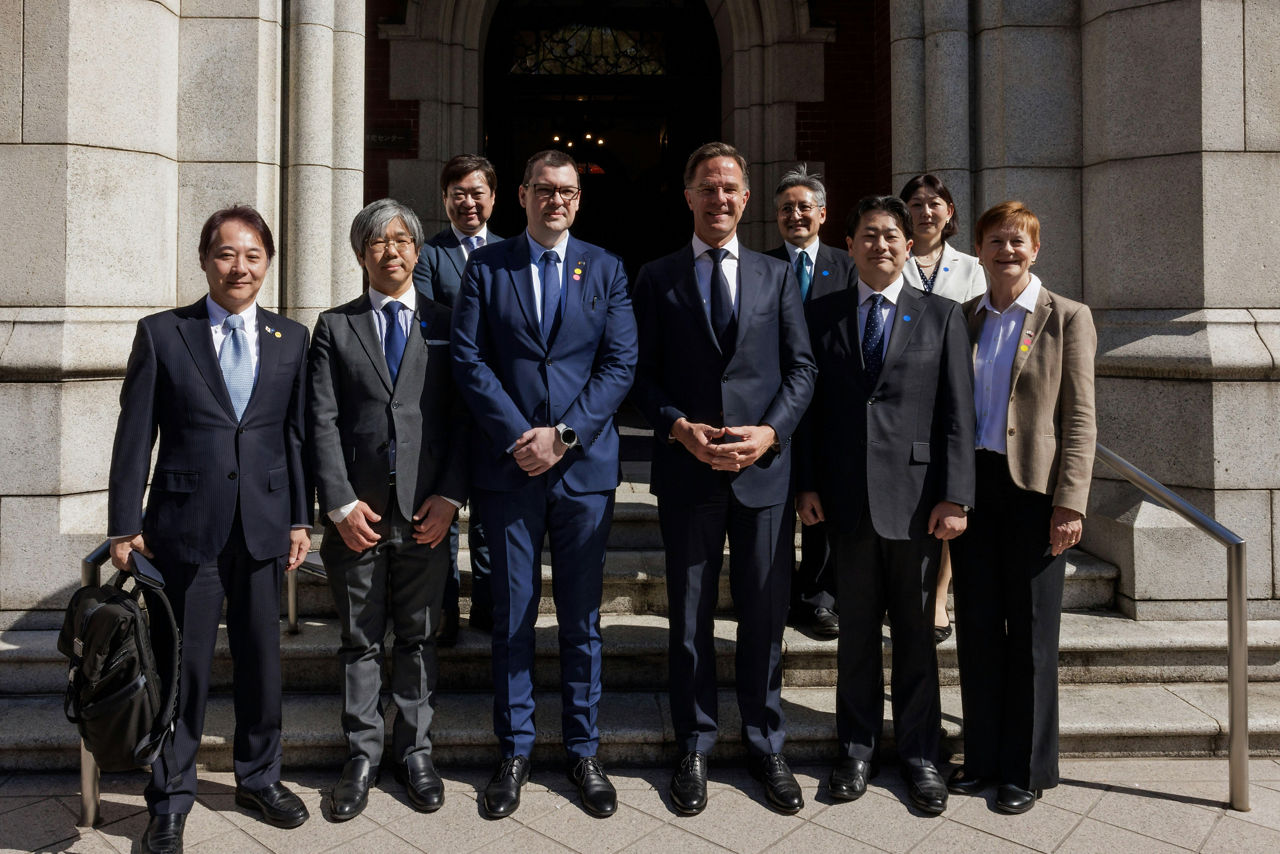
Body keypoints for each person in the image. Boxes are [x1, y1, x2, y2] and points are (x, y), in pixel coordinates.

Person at [107, 206, 312, 854]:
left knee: (262, 666)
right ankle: (168, 798)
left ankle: (259, 777)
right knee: (182, 670)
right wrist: (122, 524)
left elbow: (294, 436)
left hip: (263, 527)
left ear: (268, 263)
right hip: (182, 529)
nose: (240, 267)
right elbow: (133, 437)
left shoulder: (291, 338)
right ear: (204, 259)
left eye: (252, 255)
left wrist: (302, 517)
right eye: (227, 254)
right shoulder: (165, 334)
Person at [451, 149, 638, 820]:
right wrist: (518, 435)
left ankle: (583, 750)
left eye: (567, 191)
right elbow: (469, 359)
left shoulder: (607, 268)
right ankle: (516, 750)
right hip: (509, 470)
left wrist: (565, 435)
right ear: (522, 196)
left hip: (583, 471)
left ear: (578, 201)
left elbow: (621, 365)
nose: (555, 200)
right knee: (513, 616)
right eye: (543, 190)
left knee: (584, 621)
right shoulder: (487, 266)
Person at [632, 142, 816, 816]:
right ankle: (696, 743)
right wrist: (680, 426)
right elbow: (639, 375)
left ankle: (767, 741)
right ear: (688, 196)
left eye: (731, 187)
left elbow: (803, 370)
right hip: (689, 472)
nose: (720, 198)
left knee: (765, 616)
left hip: (763, 474)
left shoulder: (775, 276)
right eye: (708, 187)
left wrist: (770, 432)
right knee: (689, 618)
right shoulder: (656, 277)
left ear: (746, 197)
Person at [796, 195, 974, 815]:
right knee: (856, 640)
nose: (882, 245)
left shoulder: (943, 315)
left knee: (919, 638)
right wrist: (807, 484)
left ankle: (921, 753)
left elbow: (958, 412)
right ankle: (858, 749)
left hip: (920, 502)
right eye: (869, 235)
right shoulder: (822, 315)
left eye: (892, 236)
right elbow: (811, 412)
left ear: (909, 244)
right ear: (849, 245)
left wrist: (956, 495)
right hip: (846, 502)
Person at [309, 199, 469, 820]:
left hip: (428, 511)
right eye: (378, 243)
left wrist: (450, 498)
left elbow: (462, 419)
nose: (392, 251)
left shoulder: (450, 321)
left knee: (420, 637)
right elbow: (320, 420)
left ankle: (416, 751)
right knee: (359, 639)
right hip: (359, 516)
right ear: (360, 255)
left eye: (403, 240)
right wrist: (339, 503)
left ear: (418, 251)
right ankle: (362, 755)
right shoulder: (334, 326)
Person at [947, 201, 1096, 814]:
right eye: (994, 241)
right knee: (978, 630)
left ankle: (1027, 770)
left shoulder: (1067, 317)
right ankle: (982, 758)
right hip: (974, 488)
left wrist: (1071, 503)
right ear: (977, 250)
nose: (1005, 251)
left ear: (1035, 250)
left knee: (1032, 634)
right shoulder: (964, 318)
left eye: (1016, 241)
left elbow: (1080, 417)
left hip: (1035, 495)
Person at [412, 154, 503, 645]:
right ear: (445, 199)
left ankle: (488, 608)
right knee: (440, 513)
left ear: (493, 197)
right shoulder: (428, 254)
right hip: (444, 399)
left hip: (498, 404)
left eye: (477, 192)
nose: (468, 202)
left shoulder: (514, 249)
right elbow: (427, 317)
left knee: (491, 513)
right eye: (457, 194)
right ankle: (444, 614)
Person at [898, 173, 989, 645]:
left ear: (950, 212)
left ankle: (938, 596)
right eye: (916, 203)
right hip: (904, 400)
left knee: (950, 494)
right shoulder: (892, 258)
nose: (926, 211)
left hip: (956, 395)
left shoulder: (973, 267)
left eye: (935, 203)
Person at [765, 164, 852, 639]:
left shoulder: (848, 265)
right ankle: (775, 594)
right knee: (775, 503)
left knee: (823, 505)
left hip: (831, 404)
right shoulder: (760, 265)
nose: (795, 215)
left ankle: (820, 598)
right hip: (776, 404)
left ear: (822, 213)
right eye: (785, 209)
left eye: (803, 207)